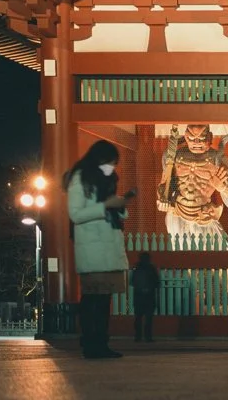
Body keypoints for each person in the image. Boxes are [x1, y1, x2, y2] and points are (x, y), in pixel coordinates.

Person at [65, 140, 134, 360]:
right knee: (93, 298)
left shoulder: (107, 181)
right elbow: (75, 214)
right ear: (98, 159)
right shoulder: (80, 179)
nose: (111, 167)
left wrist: (119, 205)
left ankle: (102, 342)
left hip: (109, 246)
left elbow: (113, 211)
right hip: (93, 248)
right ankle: (90, 342)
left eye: (114, 163)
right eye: (109, 162)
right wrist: (105, 206)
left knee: (105, 299)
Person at [130, 252, 161, 342]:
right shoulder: (152, 268)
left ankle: (138, 337)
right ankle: (148, 337)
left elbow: (132, 281)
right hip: (149, 296)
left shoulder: (136, 268)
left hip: (138, 296)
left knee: (138, 317)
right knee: (149, 318)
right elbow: (157, 282)